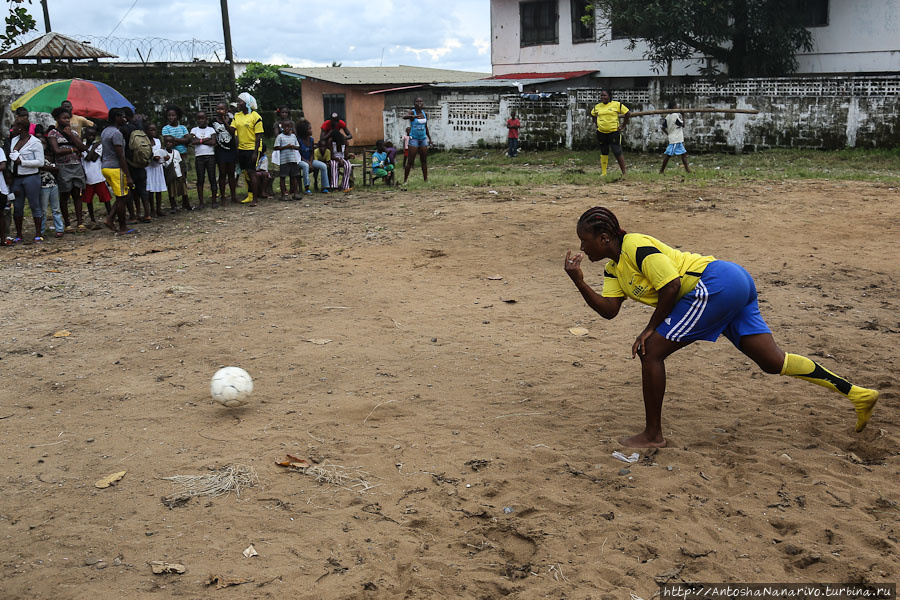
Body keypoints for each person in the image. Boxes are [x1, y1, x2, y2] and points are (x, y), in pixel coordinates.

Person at [564, 207, 880, 448]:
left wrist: (649, 329)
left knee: (650, 352)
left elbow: (671, 285)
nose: (582, 246)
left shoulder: (636, 247)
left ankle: (652, 435)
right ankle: (858, 395)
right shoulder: (613, 269)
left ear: (605, 239)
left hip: (715, 283)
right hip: (729, 284)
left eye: (585, 240)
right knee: (772, 361)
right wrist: (579, 282)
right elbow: (609, 311)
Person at [48, 106, 88, 232]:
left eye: (68, 118)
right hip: (63, 167)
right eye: (63, 118)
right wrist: (72, 149)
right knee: (65, 195)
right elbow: (56, 150)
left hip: (76, 165)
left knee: (77, 194)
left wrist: (71, 135)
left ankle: (80, 222)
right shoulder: (52, 133)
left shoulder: (74, 133)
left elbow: (82, 147)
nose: (66, 120)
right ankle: (67, 223)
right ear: (57, 119)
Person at [8, 121, 45, 243]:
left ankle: (38, 234)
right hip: (17, 177)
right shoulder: (14, 140)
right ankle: (19, 234)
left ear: (21, 128)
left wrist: (22, 162)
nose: (12, 129)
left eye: (15, 127)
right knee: (17, 206)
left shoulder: (35, 142)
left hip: (31, 177)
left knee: (34, 204)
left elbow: (40, 162)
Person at [100, 108, 134, 235]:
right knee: (121, 196)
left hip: (105, 167)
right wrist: (128, 176)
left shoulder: (105, 131)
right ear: (116, 118)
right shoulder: (116, 134)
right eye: (123, 117)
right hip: (115, 168)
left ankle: (110, 218)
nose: (125, 119)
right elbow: (121, 156)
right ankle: (122, 227)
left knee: (125, 195)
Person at [233, 92, 264, 206]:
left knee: (252, 172)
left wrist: (255, 152)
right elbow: (233, 130)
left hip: (252, 148)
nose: (238, 103)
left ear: (247, 103)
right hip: (241, 148)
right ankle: (250, 194)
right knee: (245, 172)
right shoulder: (237, 116)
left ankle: (255, 198)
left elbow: (258, 136)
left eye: (240, 101)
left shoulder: (256, 117)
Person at [590, 89, 630, 177]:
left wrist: (623, 125)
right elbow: (593, 114)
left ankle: (624, 173)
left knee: (617, 151)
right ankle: (604, 172)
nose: (603, 97)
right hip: (601, 132)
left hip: (613, 132)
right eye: (601, 96)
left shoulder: (616, 105)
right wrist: (596, 124)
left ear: (609, 96)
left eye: (605, 95)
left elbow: (627, 113)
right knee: (604, 151)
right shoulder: (597, 107)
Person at [80, 126, 111, 225]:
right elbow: (89, 158)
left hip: (99, 176)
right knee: (89, 200)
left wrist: (91, 148)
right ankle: (92, 219)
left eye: (93, 135)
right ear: (85, 135)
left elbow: (94, 158)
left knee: (106, 199)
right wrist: (93, 147)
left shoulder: (100, 146)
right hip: (87, 177)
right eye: (89, 135)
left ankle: (110, 216)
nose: (91, 137)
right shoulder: (83, 145)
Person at [212, 102, 238, 205]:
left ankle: (233, 196)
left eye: (222, 109)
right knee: (222, 173)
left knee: (231, 173)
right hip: (220, 150)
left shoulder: (232, 120)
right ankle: (222, 197)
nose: (220, 111)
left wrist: (224, 121)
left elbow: (232, 132)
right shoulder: (212, 122)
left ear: (226, 110)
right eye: (218, 109)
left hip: (231, 150)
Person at [37, 135, 63, 238]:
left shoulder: (48, 156)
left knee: (56, 208)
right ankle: (41, 230)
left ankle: (59, 229)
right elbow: (42, 167)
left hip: (52, 183)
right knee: (43, 210)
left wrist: (51, 168)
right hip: (43, 185)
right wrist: (51, 168)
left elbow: (55, 169)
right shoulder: (36, 157)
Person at [190, 111, 217, 208]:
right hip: (199, 157)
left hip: (210, 156)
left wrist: (200, 141)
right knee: (200, 179)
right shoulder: (194, 130)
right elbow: (193, 141)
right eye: (199, 118)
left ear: (206, 119)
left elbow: (213, 142)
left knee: (212, 178)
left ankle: (214, 201)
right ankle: (201, 202)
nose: (201, 120)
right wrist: (206, 139)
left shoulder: (211, 130)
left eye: (203, 118)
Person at [274, 120, 305, 199]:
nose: (287, 128)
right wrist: (285, 147)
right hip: (284, 160)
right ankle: (283, 194)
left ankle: (295, 193)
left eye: (289, 127)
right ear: (282, 128)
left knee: (294, 177)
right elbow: (276, 147)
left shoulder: (293, 136)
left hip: (293, 159)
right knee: (283, 177)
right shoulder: (280, 136)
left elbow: (298, 147)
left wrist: (293, 147)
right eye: (285, 127)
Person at [402, 98, 429, 185]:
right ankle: (405, 180)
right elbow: (404, 116)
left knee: (424, 160)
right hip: (414, 139)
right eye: (417, 101)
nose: (419, 103)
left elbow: (426, 127)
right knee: (410, 160)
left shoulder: (425, 113)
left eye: (421, 101)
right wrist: (413, 117)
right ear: (414, 103)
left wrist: (430, 139)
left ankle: (425, 180)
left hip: (423, 139)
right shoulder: (412, 112)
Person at [659, 100, 691, 174]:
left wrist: (669, 134)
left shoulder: (667, 117)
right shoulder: (675, 115)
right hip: (675, 139)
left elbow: (663, 128)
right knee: (668, 155)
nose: (677, 107)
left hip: (676, 138)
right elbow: (683, 125)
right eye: (676, 106)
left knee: (683, 154)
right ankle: (661, 171)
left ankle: (688, 170)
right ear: (674, 107)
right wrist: (683, 115)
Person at [298, 121, 329, 193]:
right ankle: (307, 187)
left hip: (310, 160)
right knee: (305, 166)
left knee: (323, 166)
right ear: (304, 131)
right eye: (309, 129)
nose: (311, 130)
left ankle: (325, 187)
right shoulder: (299, 140)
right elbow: (298, 154)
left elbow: (312, 152)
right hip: (301, 161)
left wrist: (311, 162)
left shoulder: (311, 139)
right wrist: (307, 162)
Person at [144, 123, 169, 217]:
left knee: (158, 188)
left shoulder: (158, 141)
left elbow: (162, 152)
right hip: (149, 167)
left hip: (158, 167)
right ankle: (152, 209)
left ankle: (159, 209)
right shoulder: (145, 142)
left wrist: (164, 158)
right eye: (151, 130)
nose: (153, 132)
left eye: (154, 130)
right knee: (151, 189)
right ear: (146, 131)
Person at [163, 136, 188, 212]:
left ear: (173, 143)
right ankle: (173, 206)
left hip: (179, 174)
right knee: (172, 191)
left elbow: (181, 163)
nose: (168, 143)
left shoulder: (176, 152)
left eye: (170, 142)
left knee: (183, 190)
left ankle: (186, 204)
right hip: (171, 175)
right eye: (167, 142)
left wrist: (183, 174)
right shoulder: (163, 153)